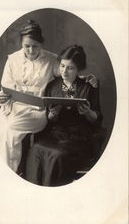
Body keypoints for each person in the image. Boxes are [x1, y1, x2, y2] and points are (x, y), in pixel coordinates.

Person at [0, 20, 97, 173]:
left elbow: (68, 72)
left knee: (8, 129)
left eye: (35, 46)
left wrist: (86, 77)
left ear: (41, 43)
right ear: (21, 44)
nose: (30, 50)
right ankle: (6, 172)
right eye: (26, 46)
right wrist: (0, 97)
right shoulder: (12, 60)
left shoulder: (51, 59)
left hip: (37, 111)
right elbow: (5, 90)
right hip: (13, 108)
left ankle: (9, 172)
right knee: (0, 132)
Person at [25, 45, 102, 186]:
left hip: (79, 139)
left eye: (70, 68)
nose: (64, 71)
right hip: (56, 135)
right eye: (62, 66)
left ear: (79, 69)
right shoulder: (52, 86)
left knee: (56, 155)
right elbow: (50, 120)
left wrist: (88, 112)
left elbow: (97, 120)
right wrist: (53, 115)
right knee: (35, 150)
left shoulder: (88, 86)